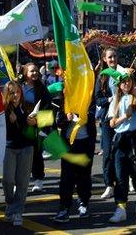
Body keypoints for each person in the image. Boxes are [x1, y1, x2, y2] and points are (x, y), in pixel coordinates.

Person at [107, 71, 136, 224]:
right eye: (123, 81)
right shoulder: (116, 100)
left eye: (128, 80)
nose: (126, 83)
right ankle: (121, 208)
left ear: (132, 81)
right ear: (118, 84)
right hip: (120, 139)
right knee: (120, 175)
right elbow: (112, 123)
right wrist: (125, 116)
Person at [53, 91, 96, 223]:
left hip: (85, 143)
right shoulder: (64, 99)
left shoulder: (87, 96)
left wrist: (84, 115)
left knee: (84, 175)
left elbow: (94, 115)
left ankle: (83, 203)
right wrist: (67, 118)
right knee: (66, 177)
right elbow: (59, 122)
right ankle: (64, 207)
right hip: (68, 145)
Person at [3, 80, 36, 227]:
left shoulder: (27, 106)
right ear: (7, 95)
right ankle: (10, 204)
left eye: (17, 91)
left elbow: (39, 123)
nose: (15, 95)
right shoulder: (4, 110)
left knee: (22, 183)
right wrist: (8, 119)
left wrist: (34, 122)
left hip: (26, 147)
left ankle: (17, 212)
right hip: (9, 147)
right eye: (11, 93)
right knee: (8, 181)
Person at [21, 63, 51, 193]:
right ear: (25, 73)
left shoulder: (41, 88)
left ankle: (38, 179)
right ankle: (20, 181)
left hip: (35, 126)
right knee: (21, 155)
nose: (34, 73)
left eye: (36, 71)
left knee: (36, 154)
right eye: (31, 71)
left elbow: (47, 106)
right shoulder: (19, 87)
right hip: (21, 126)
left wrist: (39, 121)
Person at [96, 48, 121, 199]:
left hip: (123, 118)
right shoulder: (102, 77)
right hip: (107, 119)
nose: (113, 59)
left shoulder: (124, 73)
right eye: (110, 57)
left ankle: (127, 180)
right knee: (107, 153)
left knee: (124, 152)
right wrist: (109, 100)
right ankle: (109, 185)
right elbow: (98, 99)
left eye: (115, 56)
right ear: (105, 59)